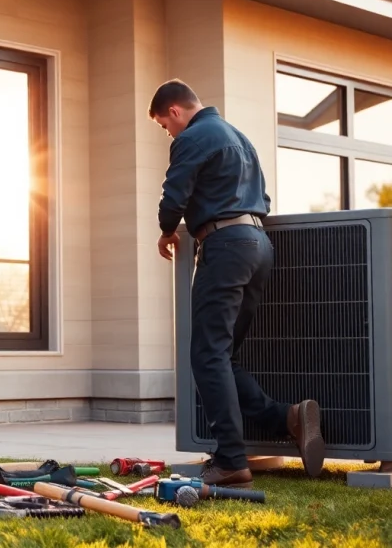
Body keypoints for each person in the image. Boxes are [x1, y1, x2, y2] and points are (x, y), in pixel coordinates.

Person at [147, 79, 325, 487]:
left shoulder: (193, 137)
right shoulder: (240, 138)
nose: (168, 133)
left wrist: (167, 230)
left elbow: (174, 196)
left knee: (207, 354)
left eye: (163, 125)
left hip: (225, 247)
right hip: (258, 245)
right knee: (221, 355)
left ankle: (230, 460)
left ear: (174, 111)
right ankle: (288, 417)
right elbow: (263, 198)